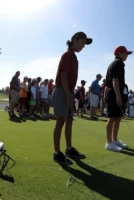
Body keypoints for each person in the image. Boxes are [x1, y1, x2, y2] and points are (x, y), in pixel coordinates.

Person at [52, 32, 92, 165]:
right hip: (63, 91)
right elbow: (63, 76)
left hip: (68, 92)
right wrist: (69, 95)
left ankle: (69, 148)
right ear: (75, 40)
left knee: (69, 120)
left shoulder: (74, 57)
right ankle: (57, 153)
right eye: (82, 43)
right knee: (61, 121)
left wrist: (70, 95)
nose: (83, 46)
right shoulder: (68, 55)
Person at [104, 46, 132, 152]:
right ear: (119, 53)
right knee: (112, 118)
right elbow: (115, 80)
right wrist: (118, 96)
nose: (127, 56)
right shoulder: (118, 63)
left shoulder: (118, 63)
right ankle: (109, 142)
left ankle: (114, 139)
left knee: (117, 117)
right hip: (115, 93)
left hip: (116, 93)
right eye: (125, 53)